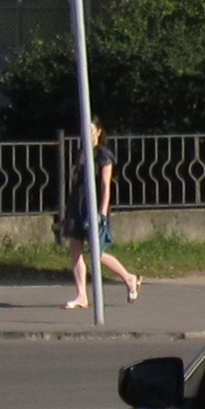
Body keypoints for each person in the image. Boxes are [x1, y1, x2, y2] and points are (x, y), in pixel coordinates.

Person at [62, 116, 140, 310]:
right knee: (75, 247)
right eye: (84, 130)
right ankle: (81, 295)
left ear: (98, 132)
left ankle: (128, 278)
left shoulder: (103, 154)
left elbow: (106, 185)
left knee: (96, 251)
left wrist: (102, 212)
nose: (86, 134)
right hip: (77, 202)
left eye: (90, 130)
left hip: (93, 204)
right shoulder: (81, 152)